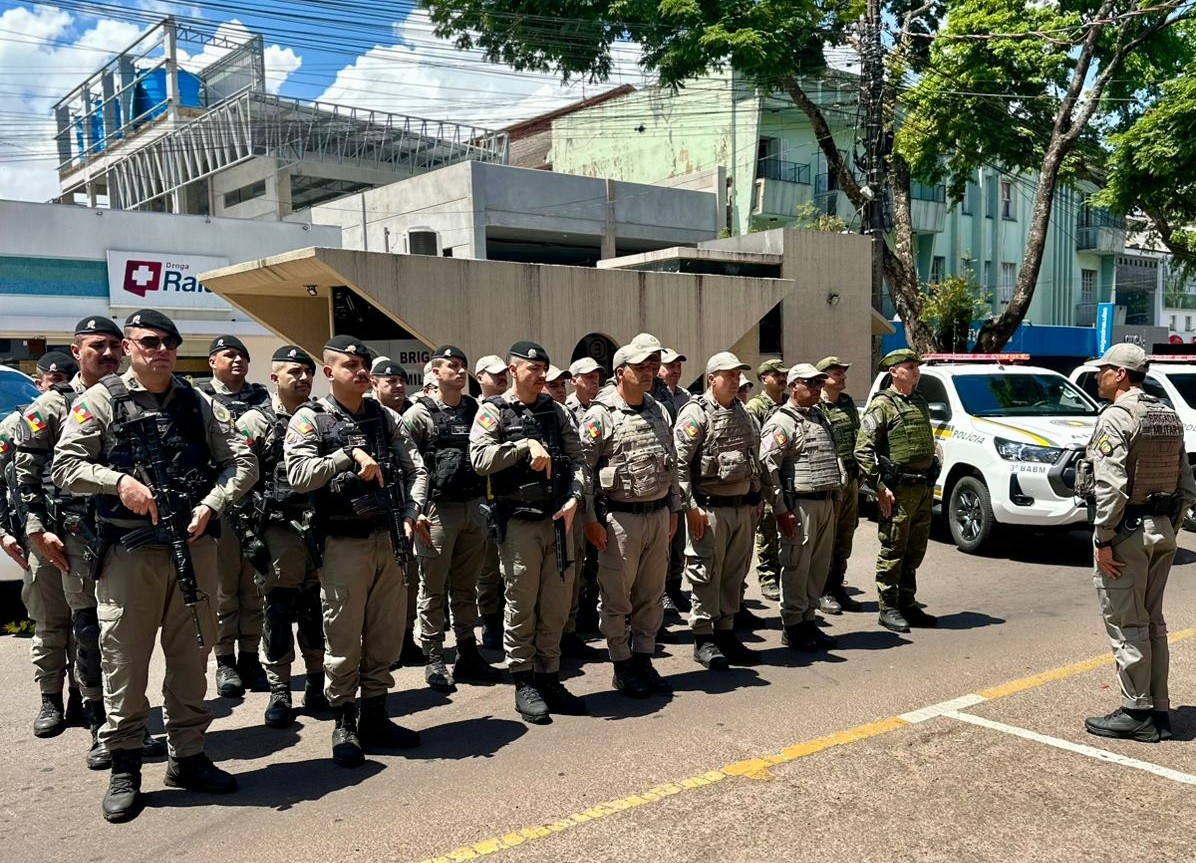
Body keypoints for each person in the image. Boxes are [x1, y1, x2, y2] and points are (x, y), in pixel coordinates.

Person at [53, 309, 257, 823]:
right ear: (128, 346)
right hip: (129, 552)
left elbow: (241, 460)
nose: (161, 349)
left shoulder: (197, 401)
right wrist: (117, 481)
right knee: (125, 659)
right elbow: (65, 466)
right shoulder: (100, 399)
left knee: (192, 654)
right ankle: (125, 765)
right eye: (149, 341)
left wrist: (214, 502)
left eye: (169, 341)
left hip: (194, 545)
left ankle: (187, 757)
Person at [16, 321, 168, 767]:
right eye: (95, 347)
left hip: (124, 535)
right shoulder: (51, 405)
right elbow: (21, 472)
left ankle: (119, 723)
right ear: (76, 351)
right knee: (86, 629)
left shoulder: (132, 398)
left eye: (110, 347)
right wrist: (33, 527)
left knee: (118, 634)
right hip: (72, 536)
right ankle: (99, 726)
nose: (105, 354)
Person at [285, 335, 430, 767]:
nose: (362, 370)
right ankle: (344, 721)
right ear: (329, 373)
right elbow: (298, 475)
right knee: (344, 636)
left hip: (388, 539)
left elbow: (416, 468)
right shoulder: (310, 419)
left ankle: (377, 716)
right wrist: (348, 456)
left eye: (364, 363)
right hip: (342, 543)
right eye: (351, 364)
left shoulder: (384, 417)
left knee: (385, 634)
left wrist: (411, 512)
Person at [1078, 343, 1196, 742]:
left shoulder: (1116, 417)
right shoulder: (1167, 414)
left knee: (1128, 623)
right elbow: (1187, 485)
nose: (1099, 376)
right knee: (1153, 623)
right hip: (1161, 529)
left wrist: (1103, 537)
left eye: (1104, 370)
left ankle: (1136, 711)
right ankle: (1158, 708)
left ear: (1121, 375)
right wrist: (1169, 526)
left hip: (1126, 532)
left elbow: (1110, 486)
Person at [469, 341, 589, 724]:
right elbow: (480, 459)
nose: (540, 375)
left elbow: (578, 459)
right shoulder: (493, 411)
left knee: (555, 604)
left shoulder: (557, 412)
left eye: (544, 368)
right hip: (518, 522)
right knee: (522, 603)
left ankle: (549, 676)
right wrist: (523, 445)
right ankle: (524, 681)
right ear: (513, 369)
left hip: (558, 518)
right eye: (532, 368)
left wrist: (575, 497)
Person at [236, 345, 329, 729]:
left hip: (319, 528)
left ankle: (317, 683)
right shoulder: (256, 422)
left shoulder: (323, 417)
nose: (303, 378)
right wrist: (244, 534)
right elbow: (236, 479)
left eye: (308, 372)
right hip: (277, 530)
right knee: (278, 608)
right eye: (294, 372)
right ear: (275, 377)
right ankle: (279, 689)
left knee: (316, 608)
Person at [580, 341, 680, 698]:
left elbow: (672, 461)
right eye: (641, 366)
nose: (649, 371)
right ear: (620, 372)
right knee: (617, 598)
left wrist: (674, 508)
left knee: (652, 596)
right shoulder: (600, 414)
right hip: (619, 520)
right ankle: (621, 665)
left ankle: (643, 659)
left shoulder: (658, 410)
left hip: (656, 514)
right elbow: (585, 470)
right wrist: (590, 519)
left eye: (653, 365)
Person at [403, 345, 502, 692]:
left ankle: (466, 652)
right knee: (432, 589)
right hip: (435, 511)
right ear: (435, 372)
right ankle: (433, 657)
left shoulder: (477, 410)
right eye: (452, 366)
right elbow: (406, 466)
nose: (460, 372)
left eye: (463, 367)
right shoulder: (419, 414)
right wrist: (414, 512)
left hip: (472, 507)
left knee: (466, 587)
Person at [7, 351, 82, 740]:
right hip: (46, 534)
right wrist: (12, 531)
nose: (58, 382)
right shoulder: (28, 418)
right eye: (51, 377)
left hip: (90, 535)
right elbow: (13, 479)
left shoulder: (99, 407)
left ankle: (83, 698)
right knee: (52, 623)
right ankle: (50, 698)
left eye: (64, 376)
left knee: (92, 625)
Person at [675, 352, 762, 670]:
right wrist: (690, 507)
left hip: (741, 509)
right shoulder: (695, 414)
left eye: (738, 374)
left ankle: (726, 632)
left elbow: (754, 458)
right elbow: (679, 466)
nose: (736, 380)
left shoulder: (744, 413)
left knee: (733, 575)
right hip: (709, 510)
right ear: (712, 378)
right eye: (729, 375)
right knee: (706, 575)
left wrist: (757, 497)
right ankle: (703, 637)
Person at [199, 335, 270, 696]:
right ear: (212, 361)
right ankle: (225, 659)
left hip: (258, 502)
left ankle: (250, 656)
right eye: (229, 355)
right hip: (223, 502)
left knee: (253, 584)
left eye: (242, 355)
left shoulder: (260, 397)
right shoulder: (199, 397)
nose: (238, 360)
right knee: (226, 586)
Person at [759, 363, 844, 651]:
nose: (818, 388)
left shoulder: (820, 418)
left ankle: (809, 620)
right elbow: (768, 466)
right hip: (800, 506)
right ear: (794, 385)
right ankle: (793, 626)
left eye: (820, 383)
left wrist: (836, 497)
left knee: (817, 568)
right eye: (811, 383)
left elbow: (834, 456)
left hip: (824, 502)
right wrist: (781, 509)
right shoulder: (781, 421)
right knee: (796, 567)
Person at [854, 349, 938, 634]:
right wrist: (879, 487)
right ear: (893, 372)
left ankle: (907, 603)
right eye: (909, 367)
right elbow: (863, 451)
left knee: (915, 550)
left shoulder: (919, 402)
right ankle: (888, 608)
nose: (916, 371)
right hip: (897, 491)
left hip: (922, 488)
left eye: (917, 366)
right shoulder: (882, 406)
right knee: (893, 549)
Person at [370, 355, 422, 666]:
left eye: (401, 380)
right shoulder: (370, 416)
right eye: (390, 381)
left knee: (408, 579)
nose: (398, 385)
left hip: (406, 510)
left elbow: (419, 465)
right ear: (374, 383)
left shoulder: (410, 414)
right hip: (376, 513)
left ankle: (404, 639)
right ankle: (378, 648)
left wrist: (415, 509)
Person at [561, 357, 605, 657]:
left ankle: (589, 614)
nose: (594, 383)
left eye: (596, 378)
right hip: (579, 499)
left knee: (599, 563)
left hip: (605, 495)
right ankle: (570, 629)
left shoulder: (607, 409)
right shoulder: (566, 411)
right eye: (588, 378)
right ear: (574, 380)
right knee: (574, 565)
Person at [817, 356, 864, 614]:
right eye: (838, 373)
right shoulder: (816, 406)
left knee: (845, 535)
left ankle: (837, 585)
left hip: (851, 478)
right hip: (829, 480)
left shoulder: (846, 404)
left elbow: (859, 438)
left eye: (843, 372)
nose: (843, 377)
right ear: (824, 378)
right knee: (827, 538)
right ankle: (822, 590)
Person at [473, 354, 509, 650]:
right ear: (479, 377)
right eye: (493, 375)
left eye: (502, 375)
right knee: (487, 570)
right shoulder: (473, 410)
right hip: (481, 501)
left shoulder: (511, 409)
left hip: (507, 500)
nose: (501, 379)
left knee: (509, 569)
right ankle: (490, 622)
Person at [746, 359, 787, 603]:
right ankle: (768, 577)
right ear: (764, 379)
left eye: (784, 374)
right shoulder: (756, 406)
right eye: (776, 375)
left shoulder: (787, 402)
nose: (782, 378)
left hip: (788, 475)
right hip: (767, 476)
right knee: (768, 529)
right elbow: (754, 444)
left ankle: (783, 574)